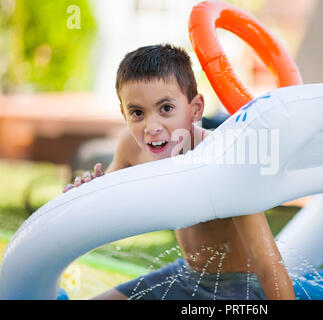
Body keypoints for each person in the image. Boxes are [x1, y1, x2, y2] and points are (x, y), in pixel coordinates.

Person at [63, 44, 295, 300]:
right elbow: (106, 208)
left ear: (195, 109)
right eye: (137, 113)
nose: (151, 127)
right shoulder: (130, 147)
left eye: (165, 109)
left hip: (240, 288)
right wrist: (88, 193)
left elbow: (268, 263)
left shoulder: (223, 159)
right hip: (187, 276)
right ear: (124, 113)